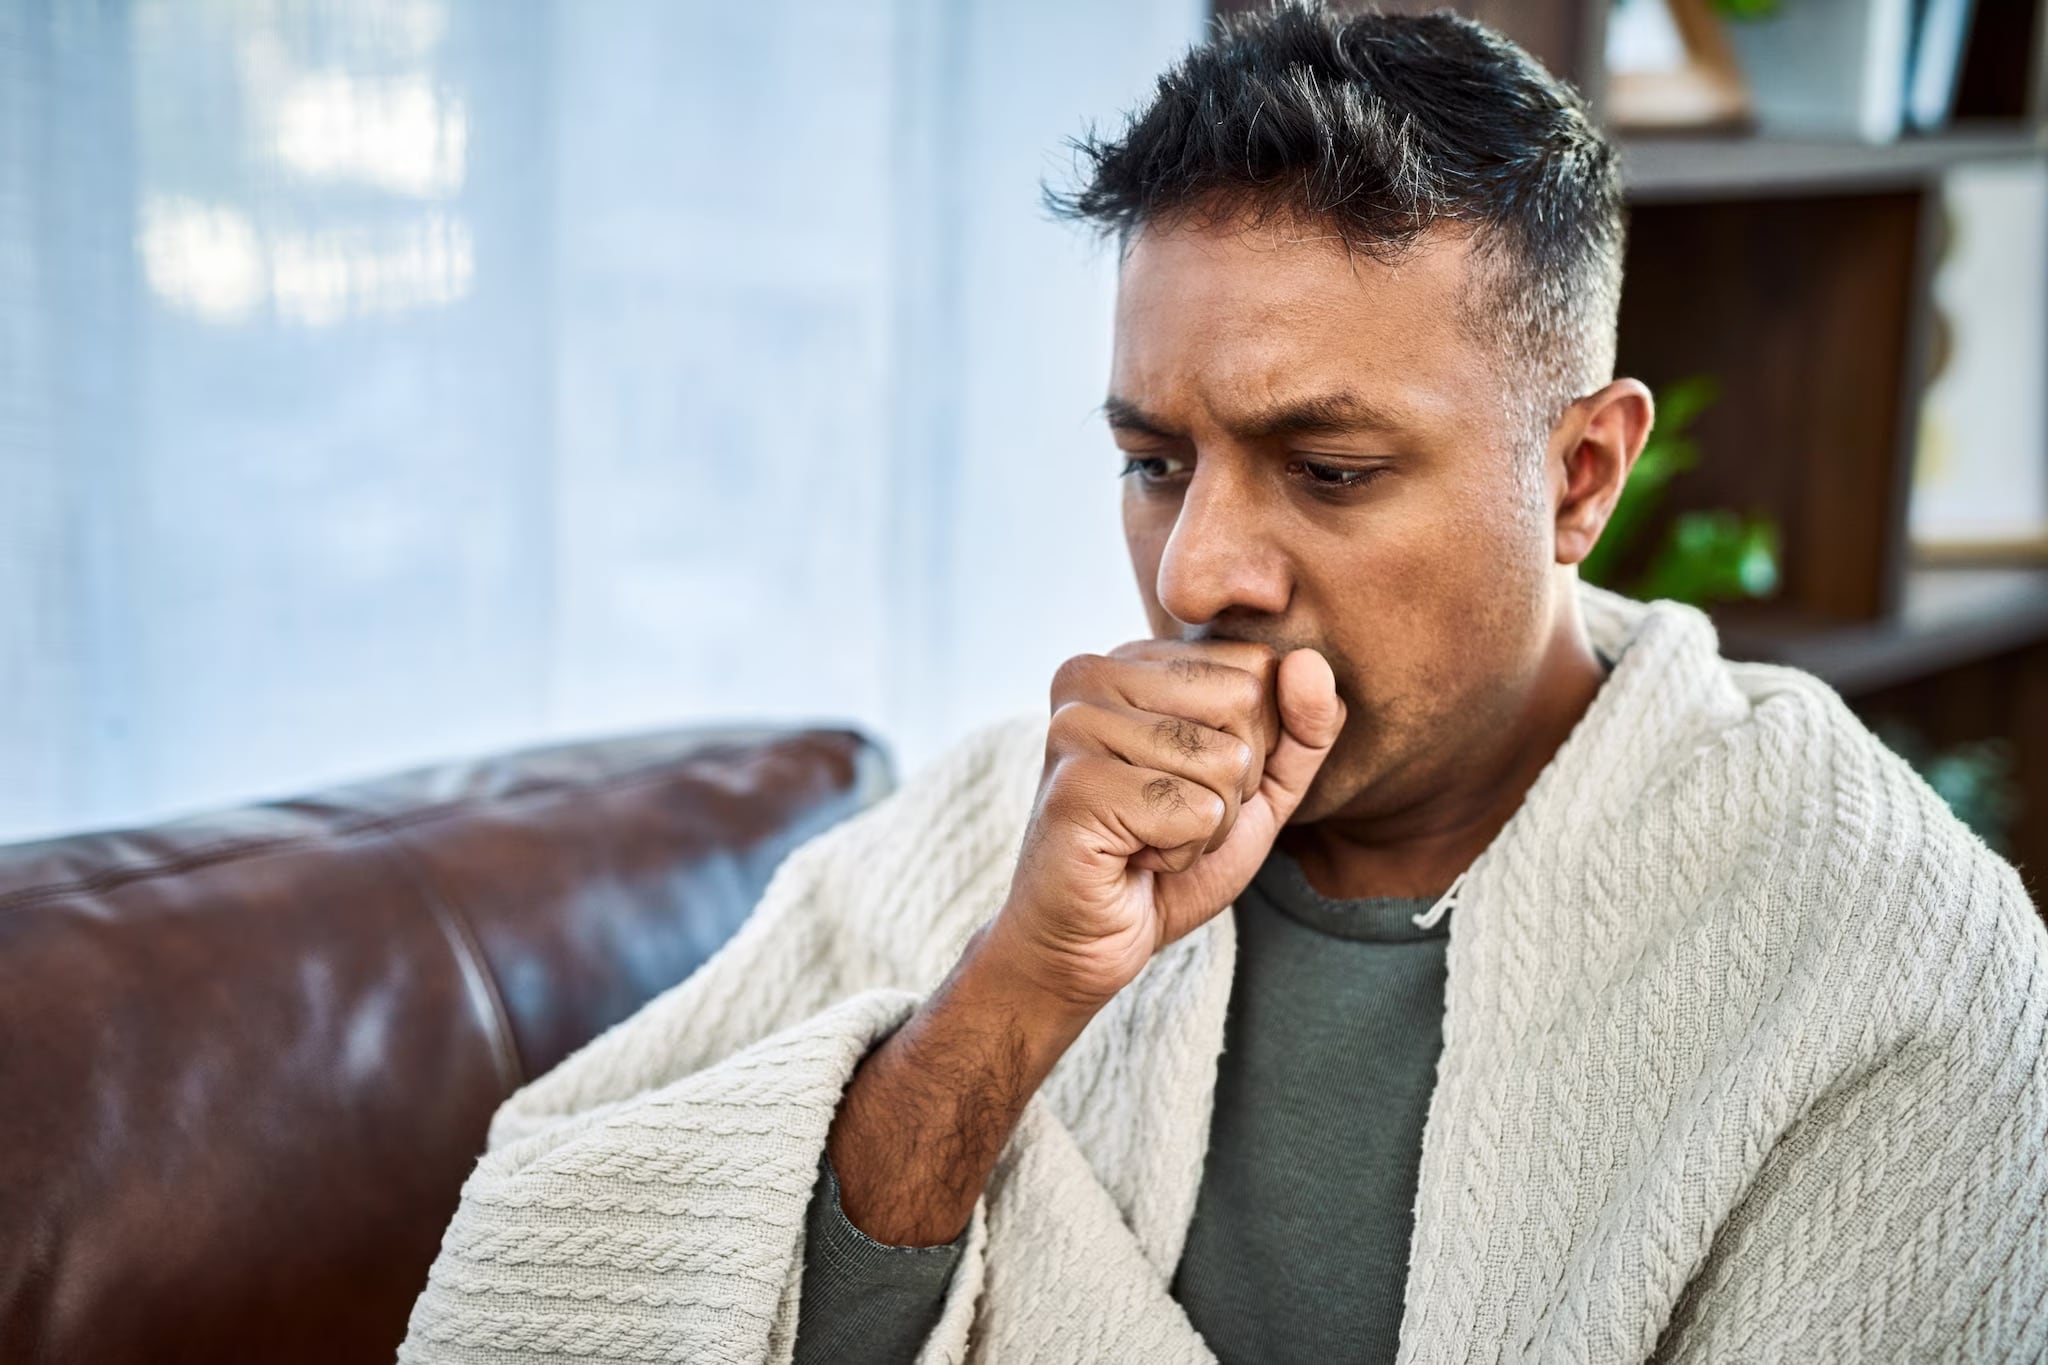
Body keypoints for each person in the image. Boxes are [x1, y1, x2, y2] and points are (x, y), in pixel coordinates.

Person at [398, 5, 2048, 1362]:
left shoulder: (1886, 961)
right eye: (1151, 459)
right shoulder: (1012, 815)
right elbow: (579, 1275)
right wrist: (1011, 1001)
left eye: (1325, 468)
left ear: (1581, 476)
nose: (1195, 574)